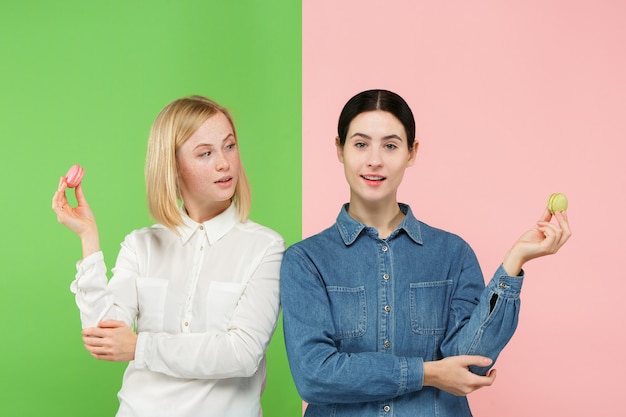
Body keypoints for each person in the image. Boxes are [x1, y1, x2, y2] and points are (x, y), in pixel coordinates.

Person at [280, 89, 571, 416]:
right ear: (340, 149)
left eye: (390, 145)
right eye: (361, 144)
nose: (375, 160)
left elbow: (470, 366)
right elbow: (315, 376)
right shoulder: (306, 261)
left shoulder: (453, 254)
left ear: (411, 152)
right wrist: (427, 373)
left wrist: (513, 264)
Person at [52, 95, 284, 417]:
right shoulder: (140, 245)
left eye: (229, 146)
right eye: (205, 153)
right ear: (172, 166)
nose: (224, 163)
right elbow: (104, 335)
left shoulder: (265, 248)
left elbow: (242, 353)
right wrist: (88, 238)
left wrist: (140, 346)